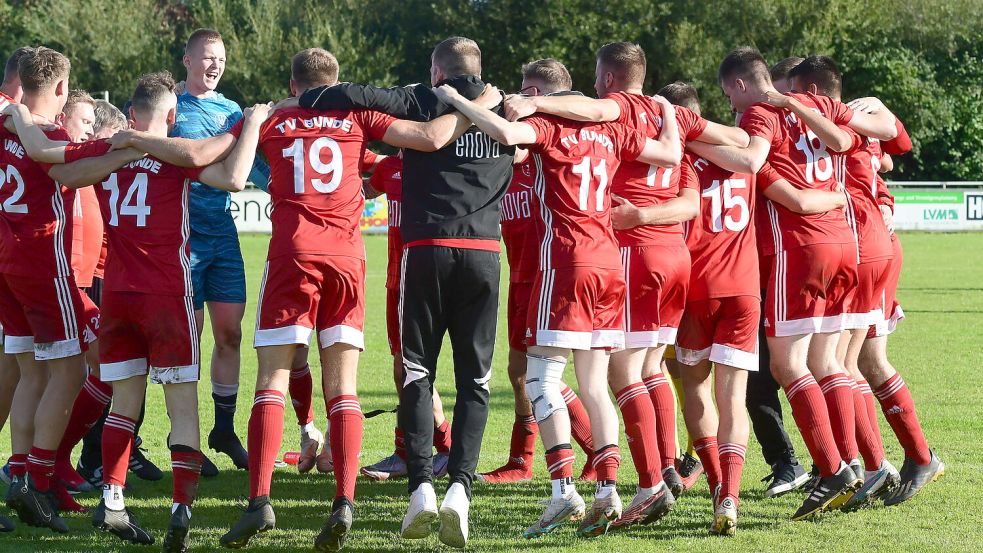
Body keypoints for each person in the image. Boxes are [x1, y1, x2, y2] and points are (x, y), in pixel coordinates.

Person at [215, 47, 487, 551]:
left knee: (270, 381)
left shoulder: (275, 117)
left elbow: (209, 160)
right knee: (344, 390)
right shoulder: (357, 116)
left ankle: (259, 502)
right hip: (346, 260)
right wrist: (477, 101)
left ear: (294, 84)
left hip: (291, 256)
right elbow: (428, 138)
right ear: (336, 83)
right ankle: (343, 502)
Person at [6, 69, 267, 550]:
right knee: (182, 408)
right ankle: (180, 510)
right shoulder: (175, 158)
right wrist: (247, 123)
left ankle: (112, 503)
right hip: (168, 296)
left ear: (130, 114)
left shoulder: (110, 156)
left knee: (123, 403)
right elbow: (232, 176)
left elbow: (60, 170)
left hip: (119, 297)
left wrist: (24, 118)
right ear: (173, 116)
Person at [435, 68, 683, 537]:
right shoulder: (611, 131)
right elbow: (671, 153)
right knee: (593, 383)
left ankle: (563, 492)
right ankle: (608, 492)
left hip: (566, 263)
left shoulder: (550, 129)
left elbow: (507, 132)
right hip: (611, 262)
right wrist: (668, 111)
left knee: (540, 378)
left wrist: (455, 98)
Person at [504, 43, 751, 508]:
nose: (595, 84)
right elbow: (742, 148)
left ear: (611, 79)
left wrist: (535, 103)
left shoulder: (613, 110)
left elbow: (585, 105)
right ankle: (707, 482)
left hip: (626, 252)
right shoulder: (672, 114)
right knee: (653, 368)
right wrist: (685, 127)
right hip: (676, 254)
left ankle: (649, 482)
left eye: (598, 76)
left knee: (619, 374)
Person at [297, 37, 515, 548]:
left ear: (436, 69)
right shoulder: (507, 107)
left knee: (417, 372)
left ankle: (421, 488)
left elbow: (346, 94)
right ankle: (460, 488)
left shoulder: (423, 97)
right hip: (485, 253)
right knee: (475, 381)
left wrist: (301, 100)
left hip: (424, 251)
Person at [686, 46, 896, 520]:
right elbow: (875, 133)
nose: (733, 108)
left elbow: (754, 158)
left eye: (730, 96)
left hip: (798, 249)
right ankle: (857, 463)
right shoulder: (816, 104)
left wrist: (691, 136)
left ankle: (833, 466)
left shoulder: (761, 115)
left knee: (786, 365)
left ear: (741, 85)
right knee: (830, 361)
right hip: (847, 243)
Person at [789, 57, 942, 508]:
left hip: (861, 245)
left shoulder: (835, 124)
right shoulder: (858, 121)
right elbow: (897, 145)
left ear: (814, 91)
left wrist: (876, 108)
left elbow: (896, 142)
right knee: (861, 360)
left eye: (796, 93)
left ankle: (875, 465)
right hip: (870, 242)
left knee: (845, 362)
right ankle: (899, 459)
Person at [0, 46, 110, 534]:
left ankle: (20, 471)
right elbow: (69, 170)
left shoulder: (6, 123)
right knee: (69, 370)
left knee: (31, 374)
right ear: (62, 90)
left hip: (6, 262)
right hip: (42, 262)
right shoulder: (48, 134)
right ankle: (38, 481)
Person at [478, 59, 599, 485]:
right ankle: (525, 458)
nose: (520, 96)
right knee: (519, 372)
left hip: (552, 273)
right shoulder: (518, 154)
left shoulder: (555, 142)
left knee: (539, 374)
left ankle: (583, 453)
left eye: (526, 90)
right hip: (521, 274)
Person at [171, 28, 270, 472]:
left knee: (230, 335)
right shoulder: (171, 106)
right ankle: (184, 440)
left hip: (224, 237)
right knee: (188, 341)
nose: (215, 66)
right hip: (184, 238)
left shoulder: (233, 111)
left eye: (222, 60)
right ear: (188, 60)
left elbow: (263, 169)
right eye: (208, 58)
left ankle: (223, 429)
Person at [360, 152, 455, 482]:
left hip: (426, 279)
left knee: (410, 370)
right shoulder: (389, 167)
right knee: (407, 371)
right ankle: (441, 447)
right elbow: (364, 190)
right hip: (396, 282)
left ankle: (419, 451)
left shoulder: (441, 161)